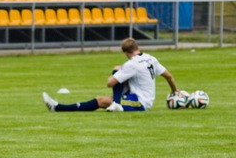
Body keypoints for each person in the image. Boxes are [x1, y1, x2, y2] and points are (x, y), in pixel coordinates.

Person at [42, 38, 179, 112]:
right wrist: (174, 91)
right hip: (141, 97)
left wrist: (115, 74)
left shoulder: (132, 64)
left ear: (125, 52)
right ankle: (116, 103)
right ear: (137, 48)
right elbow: (169, 76)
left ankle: (58, 107)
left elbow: (110, 83)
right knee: (102, 100)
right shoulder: (151, 58)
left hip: (140, 102)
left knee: (102, 98)